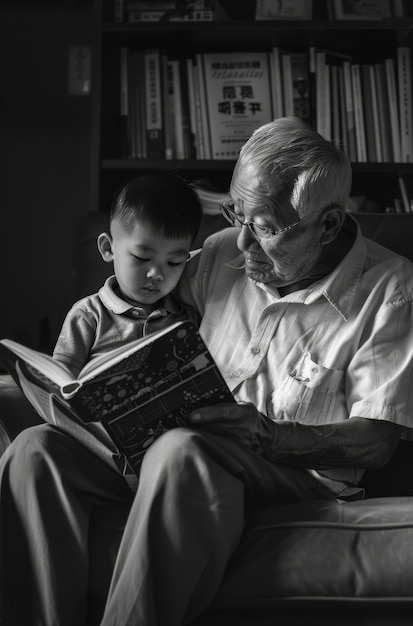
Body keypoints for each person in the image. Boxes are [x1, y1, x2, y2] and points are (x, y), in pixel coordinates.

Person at [1, 116, 413, 626]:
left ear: (327, 225)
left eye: (262, 228)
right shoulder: (220, 253)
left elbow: (375, 443)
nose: (239, 244)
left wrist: (267, 435)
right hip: (175, 457)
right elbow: (140, 293)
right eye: (232, 215)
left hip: (286, 476)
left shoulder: (391, 290)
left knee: (182, 450)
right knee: (35, 451)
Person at [53, 172, 202, 377]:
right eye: (142, 257)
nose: (157, 274)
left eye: (174, 262)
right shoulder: (88, 316)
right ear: (108, 248)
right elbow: (60, 382)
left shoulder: (188, 319)